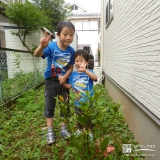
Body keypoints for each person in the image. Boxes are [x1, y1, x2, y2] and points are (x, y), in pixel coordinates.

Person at [34, 21, 75, 145]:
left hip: (63, 83)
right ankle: (50, 131)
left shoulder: (71, 51)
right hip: (51, 81)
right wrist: (42, 46)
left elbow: (70, 68)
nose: (68, 37)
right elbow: (36, 54)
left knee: (64, 105)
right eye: (65, 34)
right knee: (49, 105)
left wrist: (65, 77)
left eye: (71, 35)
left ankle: (63, 128)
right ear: (58, 35)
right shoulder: (51, 46)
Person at [62, 49, 97, 137]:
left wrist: (85, 71)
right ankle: (80, 129)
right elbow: (70, 86)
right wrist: (63, 84)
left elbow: (95, 78)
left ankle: (89, 131)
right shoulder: (73, 74)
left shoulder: (89, 72)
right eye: (77, 61)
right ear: (74, 62)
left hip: (88, 101)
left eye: (81, 61)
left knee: (89, 117)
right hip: (77, 101)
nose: (79, 63)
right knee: (79, 117)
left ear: (87, 62)